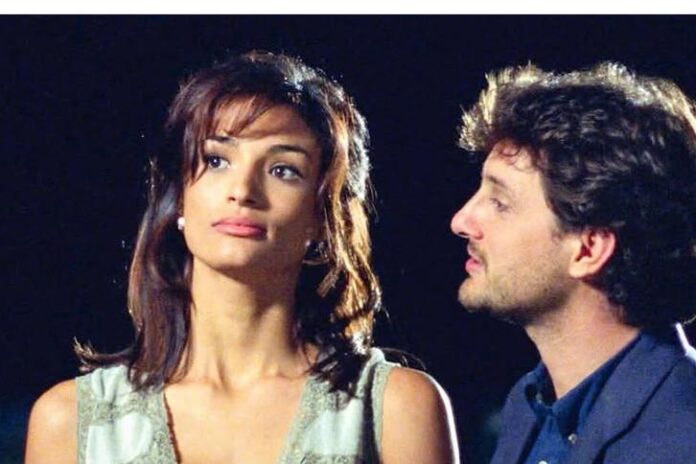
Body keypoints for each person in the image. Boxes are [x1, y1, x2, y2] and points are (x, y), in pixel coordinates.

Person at [25, 51, 459, 464]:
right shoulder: (70, 422)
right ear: (179, 197)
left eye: (283, 170)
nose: (243, 190)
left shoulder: (396, 408)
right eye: (217, 160)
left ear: (323, 219)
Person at [451, 62, 696, 463]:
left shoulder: (683, 433)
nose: (461, 221)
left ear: (589, 249)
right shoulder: (526, 407)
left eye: (500, 202)